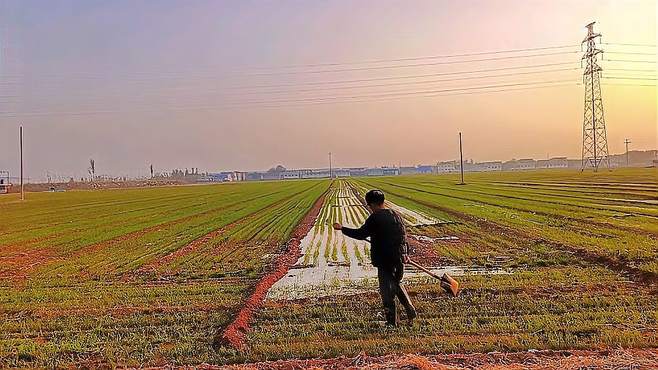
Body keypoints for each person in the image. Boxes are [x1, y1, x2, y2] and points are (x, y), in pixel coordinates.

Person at [333, 189, 417, 326]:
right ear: (383, 201)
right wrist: (405, 254)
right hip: (399, 258)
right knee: (396, 284)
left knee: (386, 291)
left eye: (369, 206)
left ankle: (391, 323)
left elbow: (360, 234)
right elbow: (403, 237)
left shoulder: (376, 217)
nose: (370, 208)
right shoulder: (397, 215)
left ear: (371, 204)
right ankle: (410, 310)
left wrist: (342, 228)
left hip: (385, 260)